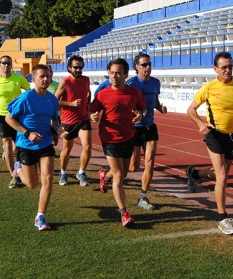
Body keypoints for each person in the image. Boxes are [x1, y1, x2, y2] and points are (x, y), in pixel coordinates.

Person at [186, 52, 233, 235]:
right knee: (223, 176)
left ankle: (195, 174)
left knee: (221, 175)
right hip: (214, 134)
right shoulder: (209, 88)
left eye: (230, 66)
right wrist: (201, 124)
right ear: (215, 69)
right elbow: (191, 109)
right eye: (224, 67)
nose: (227, 70)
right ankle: (222, 218)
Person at [97, 53, 167, 211]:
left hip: (150, 126)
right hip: (133, 129)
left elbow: (154, 102)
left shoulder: (155, 83)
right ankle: (106, 176)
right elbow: (111, 90)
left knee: (150, 162)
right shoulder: (131, 83)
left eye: (149, 64)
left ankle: (143, 197)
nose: (147, 67)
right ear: (136, 67)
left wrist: (159, 107)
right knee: (131, 168)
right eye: (144, 65)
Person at [6, 64, 66, 231]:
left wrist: (59, 132)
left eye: (47, 76)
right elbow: (9, 119)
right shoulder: (26, 98)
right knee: (32, 184)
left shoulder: (52, 99)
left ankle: (40, 216)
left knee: (47, 180)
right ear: (33, 80)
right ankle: (17, 171)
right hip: (26, 145)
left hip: (45, 144)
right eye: (42, 77)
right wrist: (27, 133)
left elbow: (55, 120)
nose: (45, 79)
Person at [89, 58, 146, 227]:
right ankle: (124, 213)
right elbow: (91, 110)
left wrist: (141, 114)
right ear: (109, 73)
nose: (115, 76)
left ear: (126, 74)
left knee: (124, 172)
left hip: (128, 136)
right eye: (112, 72)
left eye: (118, 73)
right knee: (119, 175)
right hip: (109, 138)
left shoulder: (134, 93)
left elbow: (142, 108)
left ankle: (104, 176)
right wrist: (92, 115)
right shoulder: (102, 94)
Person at [0, 55, 31, 188]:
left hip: (16, 116)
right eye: (4, 63)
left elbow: (28, 92)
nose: (6, 65)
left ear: (11, 65)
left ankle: (15, 163)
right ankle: (13, 175)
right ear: (0, 64)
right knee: (7, 145)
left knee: (17, 146)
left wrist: (24, 106)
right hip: (1, 116)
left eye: (8, 63)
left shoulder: (19, 79)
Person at [55, 55, 95, 186]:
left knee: (88, 147)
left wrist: (88, 110)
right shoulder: (65, 82)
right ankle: (63, 172)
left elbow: (88, 95)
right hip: (68, 121)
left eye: (80, 67)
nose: (78, 70)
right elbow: (54, 101)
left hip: (83, 119)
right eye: (76, 67)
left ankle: (81, 172)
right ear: (69, 68)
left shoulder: (86, 80)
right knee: (67, 149)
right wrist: (71, 104)